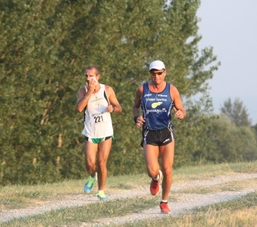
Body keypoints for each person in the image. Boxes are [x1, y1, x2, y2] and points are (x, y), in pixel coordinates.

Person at [132, 60, 187, 214]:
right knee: (152, 170)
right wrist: (137, 118)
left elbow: (182, 110)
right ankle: (155, 179)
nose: (156, 77)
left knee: (168, 170)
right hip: (149, 133)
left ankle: (164, 202)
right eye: (153, 73)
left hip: (166, 132)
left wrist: (180, 114)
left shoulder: (172, 90)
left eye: (159, 73)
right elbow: (135, 107)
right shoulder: (142, 90)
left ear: (165, 72)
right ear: (150, 74)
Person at [76, 65, 122, 200]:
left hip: (105, 132)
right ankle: (92, 177)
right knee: (90, 163)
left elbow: (119, 107)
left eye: (91, 76)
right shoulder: (83, 91)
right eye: (86, 76)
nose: (88, 78)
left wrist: (112, 108)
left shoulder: (107, 90)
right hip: (90, 132)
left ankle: (101, 191)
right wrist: (89, 92)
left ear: (98, 77)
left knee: (102, 162)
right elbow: (79, 108)